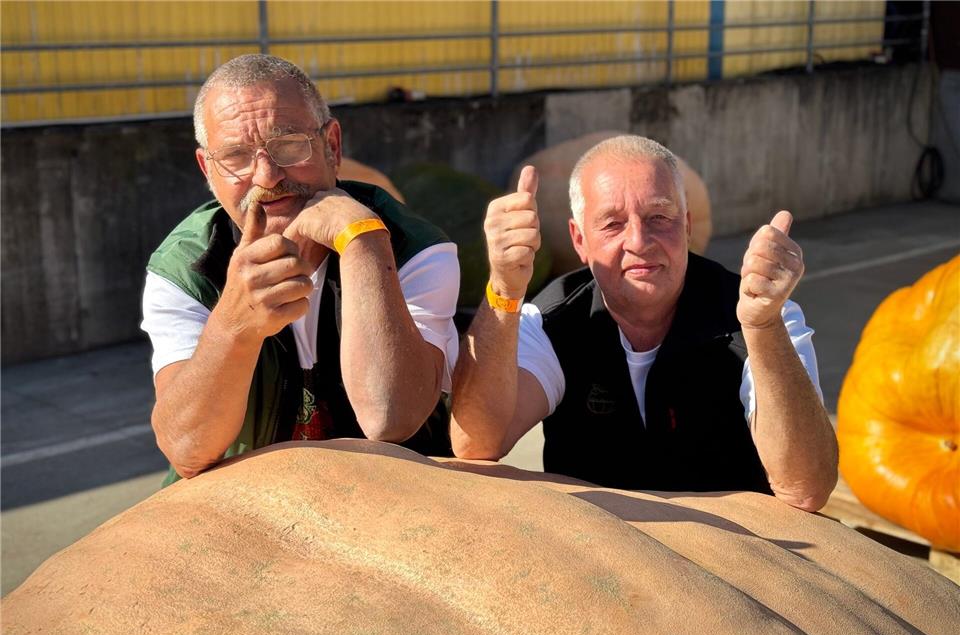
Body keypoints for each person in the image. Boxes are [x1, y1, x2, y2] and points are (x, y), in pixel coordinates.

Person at [450, 135, 838, 512]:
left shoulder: (762, 318)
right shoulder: (553, 321)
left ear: (686, 225)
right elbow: (476, 445)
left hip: (738, 563)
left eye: (658, 217)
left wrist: (763, 328)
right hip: (603, 560)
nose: (639, 240)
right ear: (579, 240)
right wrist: (503, 289)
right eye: (612, 224)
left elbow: (806, 489)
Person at [141, 54, 459, 484]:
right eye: (236, 156)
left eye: (289, 144)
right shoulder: (183, 267)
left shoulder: (416, 249)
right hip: (243, 510)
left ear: (332, 145)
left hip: (388, 502)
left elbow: (391, 418)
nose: (267, 177)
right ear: (207, 170)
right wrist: (233, 325)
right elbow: (186, 451)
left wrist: (364, 242)